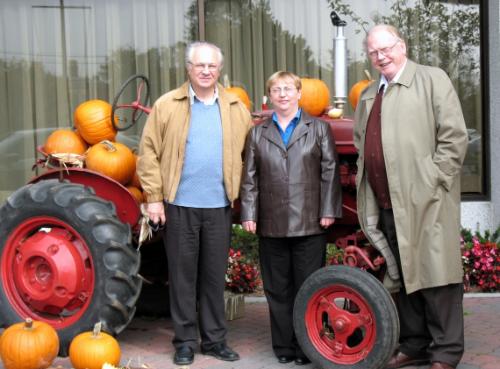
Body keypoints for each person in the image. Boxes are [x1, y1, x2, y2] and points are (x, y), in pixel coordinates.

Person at [353, 25, 468, 369]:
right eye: (374, 52)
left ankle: (446, 351)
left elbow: (454, 136)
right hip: (387, 201)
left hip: (426, 200)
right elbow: (362, 142)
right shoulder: (370, 94)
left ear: (401, 46)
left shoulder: (432, 79)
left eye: (386, 48)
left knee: (437, 275)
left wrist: (434, 182)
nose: (381, 56)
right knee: (402, 276)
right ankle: (415, 344)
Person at [137, 41, 252, 366]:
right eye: (199, 65)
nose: (205, 71)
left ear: (219, 70)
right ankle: (185, 341)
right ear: (188, 68)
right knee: (183, 276)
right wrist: (154, 199)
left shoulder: (234, 108)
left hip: (218, 205)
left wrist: (245, 198)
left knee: (214, 277)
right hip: (180, 205)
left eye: (211, 66)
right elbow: (148, 154)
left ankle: (215, 341)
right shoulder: (167, 105)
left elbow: (249, 155)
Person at [240, 71, 342, 366]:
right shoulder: (258, 132)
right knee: (277, 288)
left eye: (288, 89)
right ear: (270, 97)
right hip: (271, 223)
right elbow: (249, 178)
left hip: (310, 222)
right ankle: (283, 346)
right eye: (276, 90)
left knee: (308, 287)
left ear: (299, 93)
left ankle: (306, 346)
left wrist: (328, 210)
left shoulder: (319, 128)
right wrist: (249, 213)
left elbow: (330, 171)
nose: (282, 94)